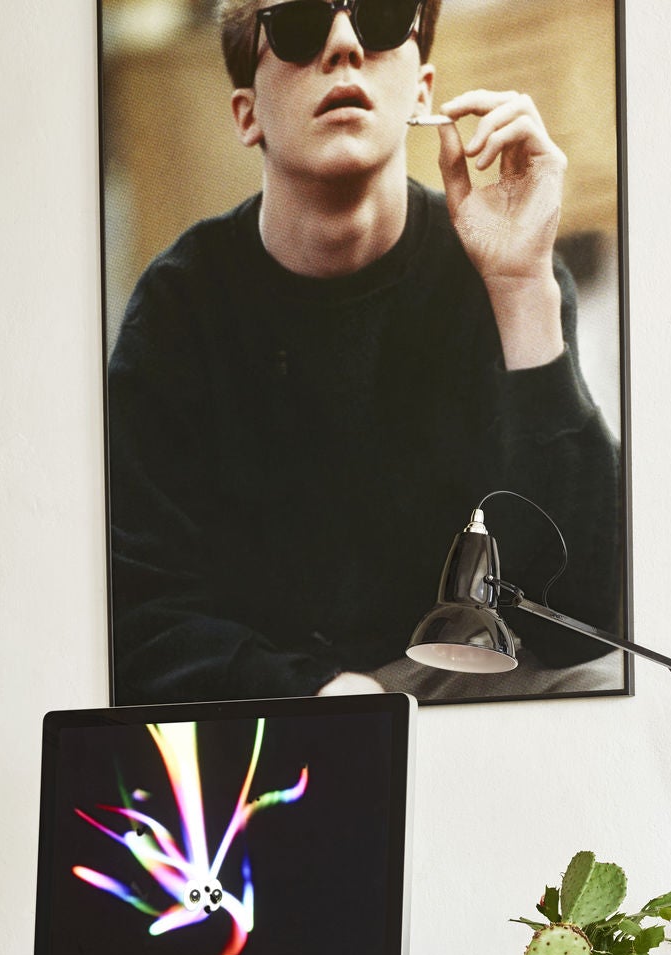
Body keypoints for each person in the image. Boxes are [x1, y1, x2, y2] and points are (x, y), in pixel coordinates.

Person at [108, 0, 621, 702]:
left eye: (381, 17)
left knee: (605, 680)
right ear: (247, 114)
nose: (345, 43)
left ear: (422, 93)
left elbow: (588, 625)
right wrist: (319, 695)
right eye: (298, 25)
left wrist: (522, 287)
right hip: (277, 702)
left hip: (464, 682)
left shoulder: (500, 277)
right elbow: (142, 618)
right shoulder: (178, 310)